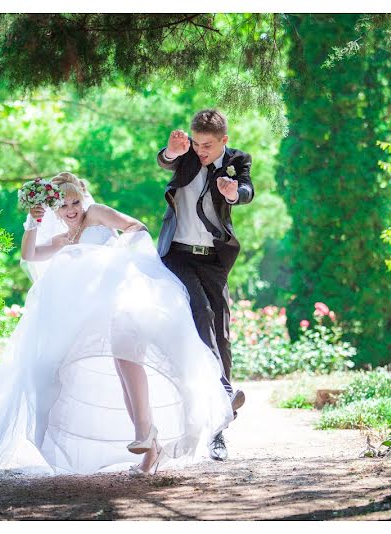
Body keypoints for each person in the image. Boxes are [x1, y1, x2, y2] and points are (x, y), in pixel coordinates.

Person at [0, 172, 233, 476]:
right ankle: (150, 445)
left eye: (76, 201)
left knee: (129, 359)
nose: (72, 209)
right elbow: (30, 254)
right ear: (55, 210)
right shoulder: (64, 238)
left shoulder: (96, 215)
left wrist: (118, 256)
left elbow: (136, 226)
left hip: (125, 298)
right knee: (121, 367)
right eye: (65, 205)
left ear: (84, 198)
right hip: (100, 312)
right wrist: (33, 220)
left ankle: (146, 436)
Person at [156, 109, 254, 461]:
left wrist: (232, 193)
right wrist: (171, 151)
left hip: (214, 258)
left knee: (220, 330)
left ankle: (217, 432)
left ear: (224, 141)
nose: (200, 151)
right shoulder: (186, 155)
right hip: (178, 254)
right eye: (196, 144)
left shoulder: (238, 159)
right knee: (202, 310)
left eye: (208, 146)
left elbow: (246, 189)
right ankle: (225, 390)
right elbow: (165, 161)